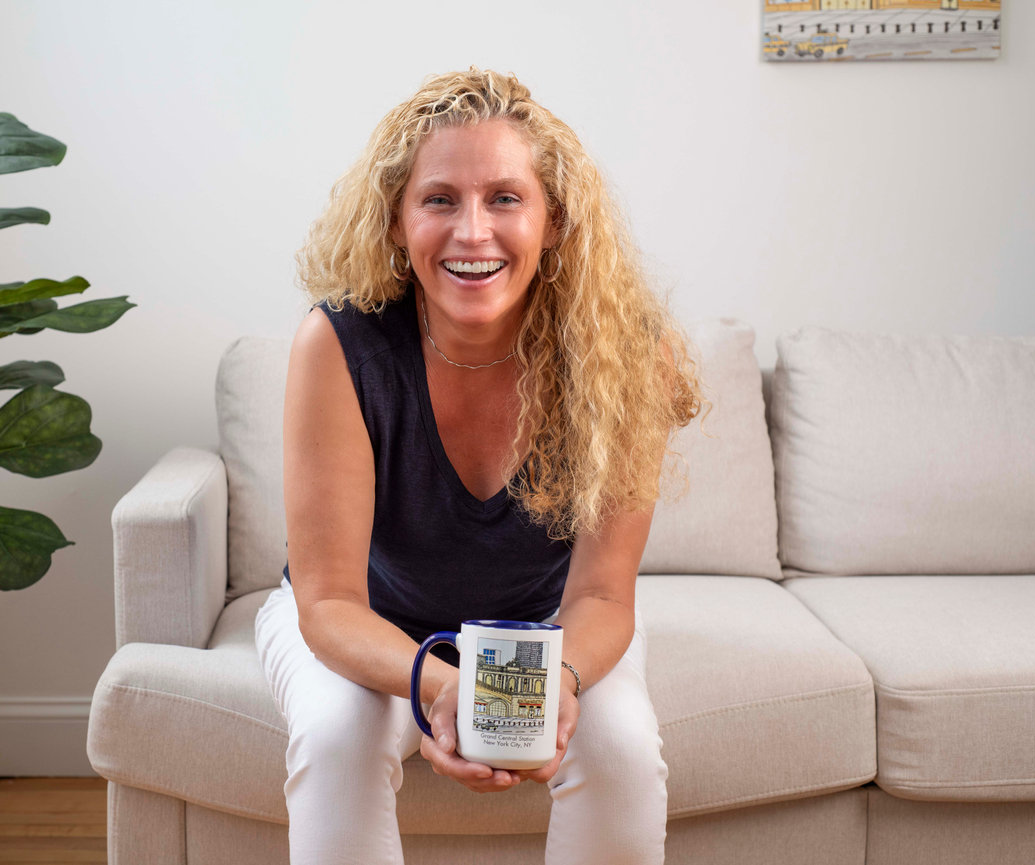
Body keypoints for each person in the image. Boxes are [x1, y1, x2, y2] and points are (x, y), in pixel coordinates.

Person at [254, 68, 702, 865]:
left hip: (549, 626)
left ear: (554, 219)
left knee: (624, 751)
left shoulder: (628, 352)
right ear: (395, 221)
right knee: (336, 738)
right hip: (370, 623)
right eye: (439, 200)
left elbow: (602, 592)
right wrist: (441, 685)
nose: (472, 232)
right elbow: (326, 602)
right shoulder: (339, 344)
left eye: (504, 197)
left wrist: (548, 684)